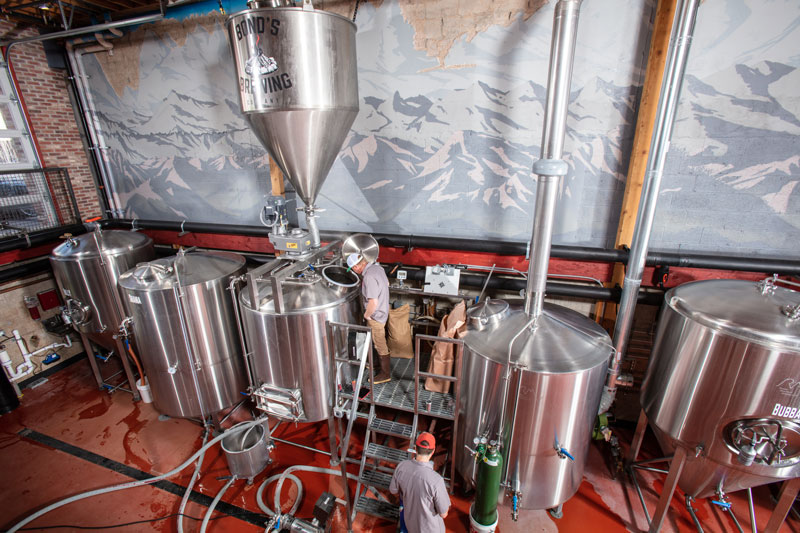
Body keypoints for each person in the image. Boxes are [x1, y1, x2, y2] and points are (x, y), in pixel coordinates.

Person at [389, 432, 450, 533]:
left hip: (410, 526)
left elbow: (393, 490)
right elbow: (443, 514)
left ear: (415, 448)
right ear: (433, 451)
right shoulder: (436, 481)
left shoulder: (401, 467)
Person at [347, 252, 392, 384]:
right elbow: (387, 283)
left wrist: (367, 315)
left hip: (376, 316)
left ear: (356, 266)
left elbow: (373, 302)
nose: (354, 271)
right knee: (374, 340)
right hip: (383, 311)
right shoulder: (378, 268)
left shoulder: (368, 277)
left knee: (380, 343)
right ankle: (376, 364)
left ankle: (385, 374)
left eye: (353, 269)